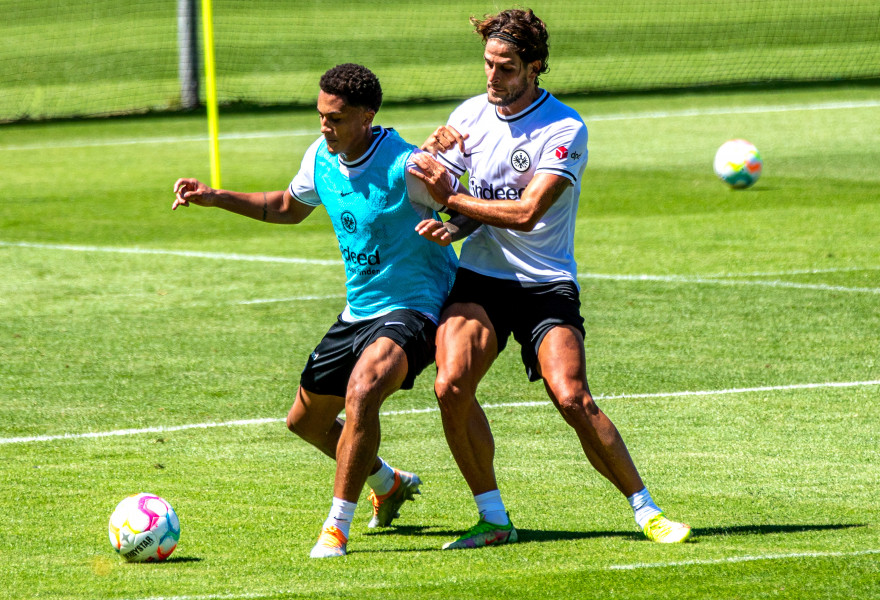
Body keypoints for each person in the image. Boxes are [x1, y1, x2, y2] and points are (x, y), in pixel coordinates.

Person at [409, 9, 692, 549]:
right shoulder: (469, 114)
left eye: (507, 67)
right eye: (488, 64)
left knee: (572, 397)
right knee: (449, 386)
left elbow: (526, 213)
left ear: (535, 66)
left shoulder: (565, 127)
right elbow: (475, 203)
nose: (493, 77)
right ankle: (493, 519)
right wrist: (438, 179)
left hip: (545, 281)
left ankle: (646, 510)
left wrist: (450, 199)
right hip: (483, 277)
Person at [172, 63, 466, 558]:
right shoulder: (320, 157)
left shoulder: (407, 165)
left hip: (415, 305)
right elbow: (287, 206)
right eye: (321, 116)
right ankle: (388, 482)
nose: (325, 127)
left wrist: (454, 200)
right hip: (358, 310)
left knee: (365, 389)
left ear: (368, 115)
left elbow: (463, 204)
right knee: (304, 423)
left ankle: (336, 527)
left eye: (336, 118)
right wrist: (216, 197)